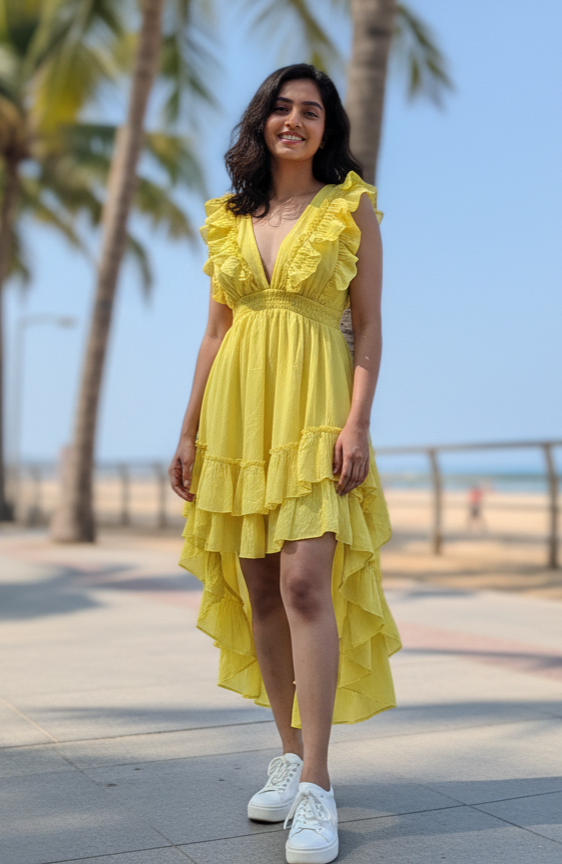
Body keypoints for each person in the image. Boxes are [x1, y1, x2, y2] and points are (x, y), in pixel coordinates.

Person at [169, 63, 402, 864]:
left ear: (326, 129)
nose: (293, 120)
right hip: (237, 414)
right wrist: (189, 430)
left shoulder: (352, 207)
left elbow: (367, 328)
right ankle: (289, 750)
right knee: (260, 585)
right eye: (281, 108)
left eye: (311, 111)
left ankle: (320, 787)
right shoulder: (229, 216)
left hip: (313, 409)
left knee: (307, 582)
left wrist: (358, 423)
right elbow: (215, 331)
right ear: (262, 122)